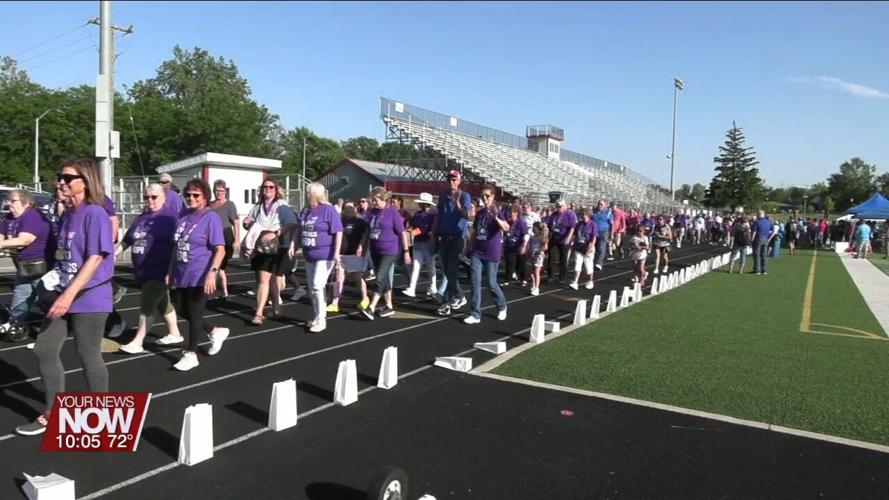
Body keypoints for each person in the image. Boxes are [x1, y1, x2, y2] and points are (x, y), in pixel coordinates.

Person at [16, 158, 113, 436]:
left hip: (89, 295)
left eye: (68, 177)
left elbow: (95, 258)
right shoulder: (67, 214)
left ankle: (101, 414)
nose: (61, 181)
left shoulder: (95, 213)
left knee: (87, 353)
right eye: (59, 176)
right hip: (63, 292)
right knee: (44, 349)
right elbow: (65, 258)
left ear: (85, 181)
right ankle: (53, 412)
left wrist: (68, 295)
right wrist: (52, 285)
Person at [168, 179, 229, 371]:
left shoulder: (211, 218)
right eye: (188, 195)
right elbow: (175, 245)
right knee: (180, 309)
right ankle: (214, 330)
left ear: (205, 197)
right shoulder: (183, 215)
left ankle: (191, 353)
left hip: (200, 272)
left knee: (195, 312)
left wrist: (212, 273)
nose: (191, 198)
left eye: (196, 195)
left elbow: (220, 249)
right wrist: (169, 271)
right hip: (180, 272)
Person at [115, 184, 181, 353]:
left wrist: (173, 270)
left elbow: (178, 244)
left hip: (160, 270)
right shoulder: (141, 218)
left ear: (163, 197)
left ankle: (138, 341)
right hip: (142, 270)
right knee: (162, 303)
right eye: (147, 197)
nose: (149, 200)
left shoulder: (170, 218)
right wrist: (114, 254)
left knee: (147, 305)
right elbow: (127, 240)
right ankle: (175, 333)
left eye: (154, 197)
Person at [0, 190, 52, 342]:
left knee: (48, 300)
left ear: (26, 203)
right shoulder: (9, 218)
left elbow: (24, 240)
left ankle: (52, 333)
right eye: (8, 200)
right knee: (19, 300)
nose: (9, 203)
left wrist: (2, 244)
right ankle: (16, 326)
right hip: (24, 267)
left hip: (42, 267)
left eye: (13, 200)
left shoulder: (32, 216)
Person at [292, 183, 342, 333]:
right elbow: (299, 229)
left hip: (324, 254)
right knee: (313, 289)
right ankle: (316, 315)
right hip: (309, 254)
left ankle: (321, 319)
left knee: (317, 286)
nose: (306, 195)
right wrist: (293, 245)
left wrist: (336, 252)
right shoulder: (306, 211)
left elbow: (338, 231)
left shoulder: (328, 210)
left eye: (308, 193)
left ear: (316, 195)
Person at [243, 180, 291, 325]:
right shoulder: (257, 207)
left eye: (271, 187)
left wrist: (276, 233)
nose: (268, 189)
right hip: (260, 246)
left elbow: (290, 224)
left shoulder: (282, 205)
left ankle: (259, 313)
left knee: (268, 279)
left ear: (276, 190)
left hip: (276, 246)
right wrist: (246, 223)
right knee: (266, 280)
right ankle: (276, 309)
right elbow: (250, 225)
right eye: (265, 187)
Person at [360, 187, 411, 319]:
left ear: (383, 199)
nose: (373, 202)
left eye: (375, 199)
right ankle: (389, 306)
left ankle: (371, 307)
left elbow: (402, 232)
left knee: (380, 277)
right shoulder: (372, 212)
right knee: (385, 280)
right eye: (372, 199)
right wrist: (362, 246)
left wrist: (406, 251)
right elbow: (367, 231)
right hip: (375, 249)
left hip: (389, 250)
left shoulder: (392, 212)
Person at [430, 170, 474, 317]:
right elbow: (439, 215)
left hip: (458, 237)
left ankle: (447, 302)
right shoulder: (443, 196)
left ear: (459, 181)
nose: (451, 182)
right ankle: (459, 295)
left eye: (454, 179)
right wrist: (434, 232)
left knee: (452, 268)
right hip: (444, 236)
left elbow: (468, 215)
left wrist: (457, 203)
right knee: (447, 269)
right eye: (449, 179)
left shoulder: (465, 196)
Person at [463, 185, 508, 325]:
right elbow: (475, 231)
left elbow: (506, 227)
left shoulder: (497, 211)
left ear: (493, 196)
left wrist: (497, 219)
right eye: (483, 196)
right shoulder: (481, 213)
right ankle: (475, 313)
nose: (485, 198)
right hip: (478, 250)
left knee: (491, 282)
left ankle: (502, 305)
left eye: (487, 196)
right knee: (475, 282)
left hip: (491, 251)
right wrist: (469, 247)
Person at [328, 202, 369, 313]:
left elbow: (366, 234)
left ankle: (365, 298)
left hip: (353, 254)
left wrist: (361, 246)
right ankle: (335, 303)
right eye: (346, 207)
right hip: (341, 254)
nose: (348, 209)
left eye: (351, 207)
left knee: (357, 278)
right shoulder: (339, 221)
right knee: (339, 279)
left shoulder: (360, 222)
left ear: (355, 209)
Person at [403, 192, 437, 297]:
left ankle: (433, 286)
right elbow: (413, 226)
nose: (422, 206)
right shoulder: (418, 214)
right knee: (416, 266)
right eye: (422, 204)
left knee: (431, 266)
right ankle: (412, 288)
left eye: (424, 204)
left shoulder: (434, 214)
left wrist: (414, 232)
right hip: (418, 243)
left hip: (428, 244)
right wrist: (409, 231)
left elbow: (430, 229)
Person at [210, 179, 240, 299]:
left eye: (222, 191)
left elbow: (236, 222)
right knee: (217, 267)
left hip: (225, 235)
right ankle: (224, 292)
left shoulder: (229, 204)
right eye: (217, 191)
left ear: (225, 191)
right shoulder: (211, 204)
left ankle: (214, 292)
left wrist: (237, 240)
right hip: (213, 236)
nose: (219, 193)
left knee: (219, 266)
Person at [547, 199, 578, 284]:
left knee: (563, 258)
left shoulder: (570, 214)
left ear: (564, 206)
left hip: (564, 238)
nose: (557, 208)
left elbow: (572, 227)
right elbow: (549, 225)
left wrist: (568, 238)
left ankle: (562, 277)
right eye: (556, 206)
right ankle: (550, 275)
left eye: (559, 206)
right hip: (554, 237)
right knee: (551, 257)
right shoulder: (554, 214)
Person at [502, 203, 529, 287]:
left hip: (519, 246)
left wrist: (524, 246)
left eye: (512, 212)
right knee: (510, 263)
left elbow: (526, 234)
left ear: (516, 213)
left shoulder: (521, 222)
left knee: (521, 264)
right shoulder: (508, 222)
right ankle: (507, 280)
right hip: (510, 247)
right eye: (509, 212)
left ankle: (523, 279)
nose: (509, 214)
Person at [569, 208, 596, 290]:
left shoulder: (593, 224)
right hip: (579, 247)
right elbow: (575, 235)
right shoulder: (579, 224)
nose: (583, 216)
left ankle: (590, 281)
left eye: (584, 215)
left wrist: (591, 245)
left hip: (587, 248)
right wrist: (571, 243)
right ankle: (575, 281)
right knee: (577, 264)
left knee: (588, 266)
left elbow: (594, 237)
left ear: (588, 215)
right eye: (582, 215)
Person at [751, 210, 775, 275]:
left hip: (758, 238)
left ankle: (757, 270)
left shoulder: (756, 222)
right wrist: (770, 238)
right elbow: (773, 230)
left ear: (758, 215)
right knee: (764, 255)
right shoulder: (768, 222)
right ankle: (764, 270)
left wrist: (752, 240)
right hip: (766, 239)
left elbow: (754, 232)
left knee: (757, 254)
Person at [528, 221, 548, 296]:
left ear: (537, 228)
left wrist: (538, 251)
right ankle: (533, 285)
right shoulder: (533, 237)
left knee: (536, 271)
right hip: (532, 255)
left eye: (534, 227)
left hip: (538, 255)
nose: (532, 228)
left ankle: (537, 288)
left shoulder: (542, 236)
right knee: (532, 271)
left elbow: (545, 247)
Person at [592, 199, 612, 271]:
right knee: (595, 248)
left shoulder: (608, 213)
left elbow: (611, 224)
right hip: (594, 232)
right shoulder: (594, 212)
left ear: (605, 205)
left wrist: (611, 234)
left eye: (601, 204)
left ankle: (599, 263)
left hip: (604, 231)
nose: (599, 205)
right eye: (599, 204)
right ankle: (596, 260)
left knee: (601, 247)